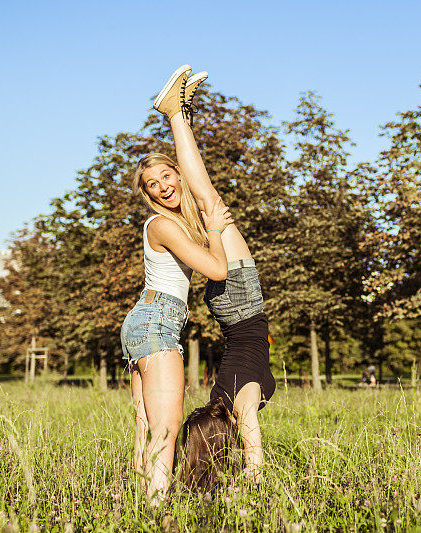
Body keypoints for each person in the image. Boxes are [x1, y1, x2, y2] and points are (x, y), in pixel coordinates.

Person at [150, 65, 276, 493]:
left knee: (205, 200)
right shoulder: (225, 398)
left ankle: (176, 115)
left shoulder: (237, 401)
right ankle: (180, 115)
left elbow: (250, 426)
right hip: (235, 307)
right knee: (202, 202)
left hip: (239, 303)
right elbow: (247, 423)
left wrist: (255, 479)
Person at [120, 64, 234, 505]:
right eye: (154, 184)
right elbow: (217, 271)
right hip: (156, 323)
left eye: (168, 175)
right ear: (148, 194)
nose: (164, 185)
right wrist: (215, 230)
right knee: (165, 430)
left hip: (146, 321)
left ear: (178, 175)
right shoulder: (163, 227)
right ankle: (156, 509)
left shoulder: (170, 223)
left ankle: (135, 501)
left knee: (146, 426)